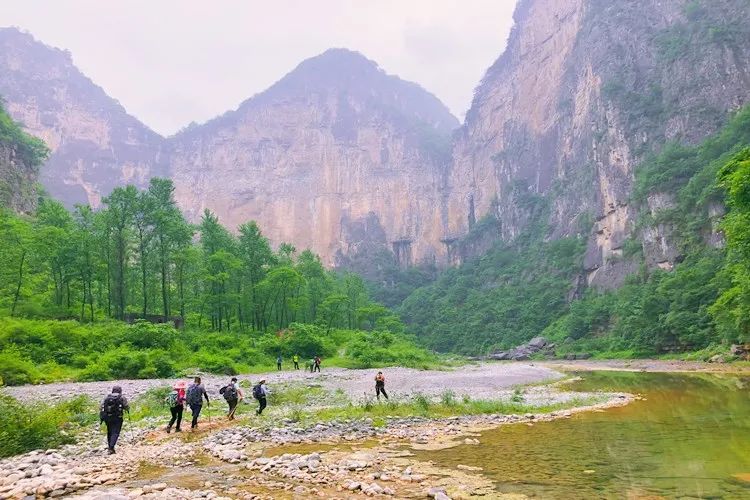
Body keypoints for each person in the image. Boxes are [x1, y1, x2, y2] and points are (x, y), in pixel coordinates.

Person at [100, 385, 129, 454]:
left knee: (109, 431)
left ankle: (110, 447)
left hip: (107, 417)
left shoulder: (107, 397)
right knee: (115, 432)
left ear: (112, 390)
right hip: (117, 417)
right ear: (120, 391)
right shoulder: (121, 397)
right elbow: (126, 406)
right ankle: (111, 448)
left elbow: (101, 407)